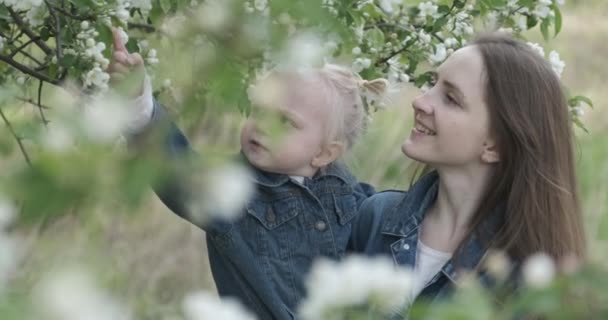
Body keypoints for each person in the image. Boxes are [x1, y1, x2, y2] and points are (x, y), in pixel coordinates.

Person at [108, 30, 382, 319]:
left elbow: (396, 238)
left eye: (284, 121)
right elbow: (176, 173)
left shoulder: (353, 196)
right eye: (258, 110)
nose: (262, 125)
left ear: (324, 154)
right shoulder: (232, 190)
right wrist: (138, 101)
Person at [349, 33, 586, 309]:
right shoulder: (376, 217)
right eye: (431, 83)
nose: (420, 102)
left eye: (451, 98)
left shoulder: (529, 278)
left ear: (495, 145)